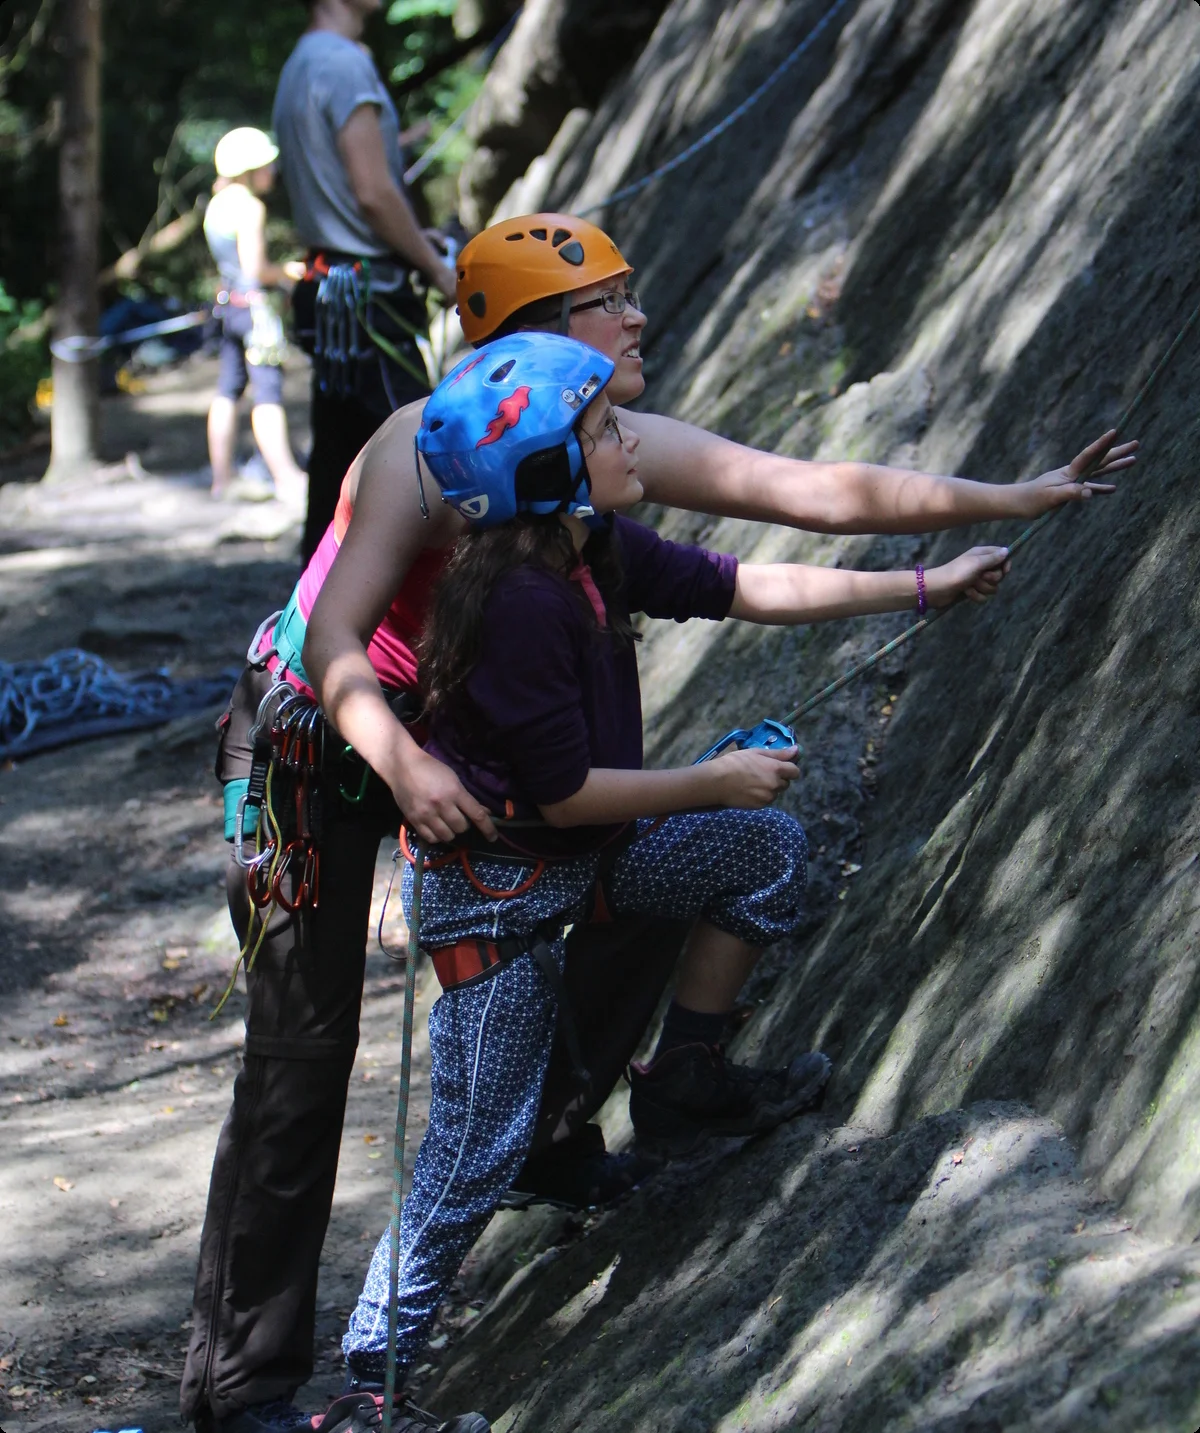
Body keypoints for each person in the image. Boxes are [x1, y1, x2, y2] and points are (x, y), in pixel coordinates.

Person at [181, 210, 1135, 1433]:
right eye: (608, 302)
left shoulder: (581, 449)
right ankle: (248, 1389)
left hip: (479, 741)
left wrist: (1013, 497)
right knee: (303, 1059)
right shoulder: (441, 446)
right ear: (536, 334)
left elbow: (806, 497)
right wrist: (406, 766)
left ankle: (557, 1130)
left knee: (614, 874)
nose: (638, 319)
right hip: (327, 734)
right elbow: (332, 641)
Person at [339, 328, 1015, 1403]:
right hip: (498, 895)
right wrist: (713, 778)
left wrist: (926, 585)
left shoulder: (590, 546)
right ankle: (370, 1381)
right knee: (473, 1152)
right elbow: (561, 793)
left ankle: (687, 1077)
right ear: (549, 471)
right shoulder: (518, 603)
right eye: (604, 429)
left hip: (579, 862)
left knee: (763, 849)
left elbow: (744, 583)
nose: (630, 440)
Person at [272, 0, 458, 561]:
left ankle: (311, 616)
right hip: (367, 300)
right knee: (426, 457)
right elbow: (373, 193)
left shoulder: (300, 64)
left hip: (333, 291)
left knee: (338, 464)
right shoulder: (345, 65)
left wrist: (417, 242)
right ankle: (449, 621)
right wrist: (436, 267)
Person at [204, 127, 308, 504]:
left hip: (227, 307)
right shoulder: (250, 207)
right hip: (254, 311)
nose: (273, 170)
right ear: (248, 170)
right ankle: (287, 478)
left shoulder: (217, 204)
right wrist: (290, 270)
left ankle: (221, 479)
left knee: (227, 389)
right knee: (267, 391)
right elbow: (257, 269)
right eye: (266, 164)